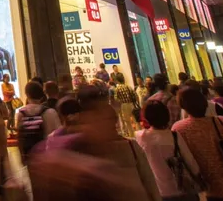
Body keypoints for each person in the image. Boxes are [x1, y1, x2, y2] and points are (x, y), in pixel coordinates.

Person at [28, 85, 160, 201]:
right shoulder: (65, 160)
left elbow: (150, 186)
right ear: (84, 118)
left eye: (111, 120)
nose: (109, 126)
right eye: (100, 116)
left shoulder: (129, 147)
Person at [135, 100, 200, 201]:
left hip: (160, 192)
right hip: (183, 189)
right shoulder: (174, 136)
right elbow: (191, 162)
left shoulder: (141, 137)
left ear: (146, 118)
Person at [15, 80, 59, 163]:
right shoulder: (49, 112)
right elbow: (58, 134)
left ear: (27, 95)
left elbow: (19, 136)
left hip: (30, 154)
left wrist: (22, 155)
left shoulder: (21, 113)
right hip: (46, 154)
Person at [112, 73, 138, 137]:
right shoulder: (128, 87)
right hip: (131, 104)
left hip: (123, 105)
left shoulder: (117, 89)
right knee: (135, 120)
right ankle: (138, 133)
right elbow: (135, 95)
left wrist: (121, 101)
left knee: (127, 121)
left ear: (117, 80)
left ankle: (132, 135)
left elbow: (116, 98)